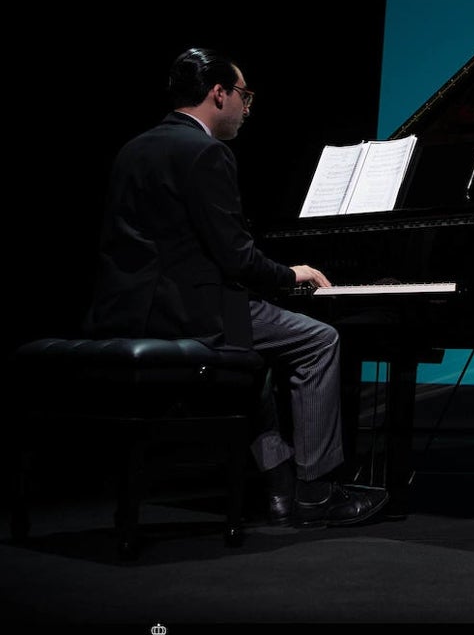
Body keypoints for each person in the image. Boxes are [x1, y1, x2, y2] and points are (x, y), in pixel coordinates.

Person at [83, 47, 389, 529]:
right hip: (190, 312)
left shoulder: (134, 147)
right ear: (218, 93)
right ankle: (315, 491)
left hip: (125, 312)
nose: (247, 109)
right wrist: (292, 274)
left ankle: (280, 490)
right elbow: (236, 257)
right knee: (318, 340)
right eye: (244, 96)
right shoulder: (206, 152)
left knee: (254, 363)